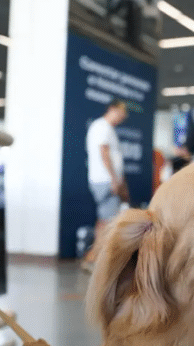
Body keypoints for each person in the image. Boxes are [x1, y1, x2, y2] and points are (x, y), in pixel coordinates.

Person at [82, 99, 129, 271]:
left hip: (107, 180)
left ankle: (94, 258)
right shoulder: (101, 127)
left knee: (104, 221)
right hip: (105, 181)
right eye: (121, 114)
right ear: (112, 109)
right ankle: (92, 259)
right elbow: (104, 153)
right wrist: (114, 179)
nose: (122, 118)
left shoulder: (107, 129)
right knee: (107, 222)